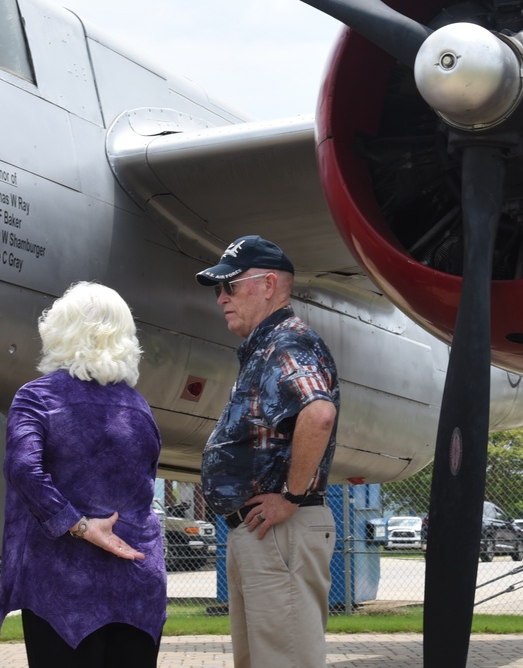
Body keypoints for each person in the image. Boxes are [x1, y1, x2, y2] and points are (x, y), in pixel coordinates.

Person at [0, 281, 167, 668]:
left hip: (62, 589)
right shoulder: (139, 406)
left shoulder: (36, 397)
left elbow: (23, 468)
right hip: (138, 581)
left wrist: (80, 525)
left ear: (57, 331)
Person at [196, 235, 340, 668]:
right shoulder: (267, 345)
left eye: (231, 286)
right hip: (263, 534)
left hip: (280, 532)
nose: (221, 298)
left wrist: (291, 497)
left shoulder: (286, 343)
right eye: (219, 289)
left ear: (269, 284)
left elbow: (319, 414)